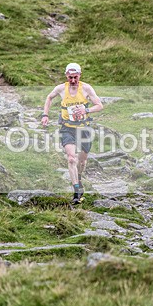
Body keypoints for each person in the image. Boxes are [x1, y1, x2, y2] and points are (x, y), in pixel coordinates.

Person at [42, 63, 103, 204]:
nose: (73, 80)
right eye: (70, 77)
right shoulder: (61, 89)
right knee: (71, 158)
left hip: (84, 128)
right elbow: (49, 98)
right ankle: (76, 191)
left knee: (82, 160)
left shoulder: (86, 88)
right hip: (67, 128)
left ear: (80, 75)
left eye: (75, 77)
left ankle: (79, 177)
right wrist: (45, 115)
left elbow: (99, 105)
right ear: (66, 76)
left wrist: (86, 110)